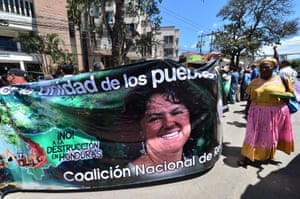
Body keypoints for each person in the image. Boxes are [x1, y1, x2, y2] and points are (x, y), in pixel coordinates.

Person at [123, 79, 211, 169]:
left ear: (191, 117)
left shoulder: (195, 163)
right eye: (155, 118)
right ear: (140, 129)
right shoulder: (131, 174)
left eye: (177, 113)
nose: (169, 123)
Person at [238, 58, 295, 166]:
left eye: (267, 67)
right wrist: (246, 111)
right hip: (256, 111)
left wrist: (285, 96)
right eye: (261, 67)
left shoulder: (282, 79)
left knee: (269, 136)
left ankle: (266, 154)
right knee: (252, 135)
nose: (263, 69)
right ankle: (248, 156)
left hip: (275, 113)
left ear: (274, 68)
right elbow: (250, 97)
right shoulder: (255, 81)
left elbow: (291, 94)